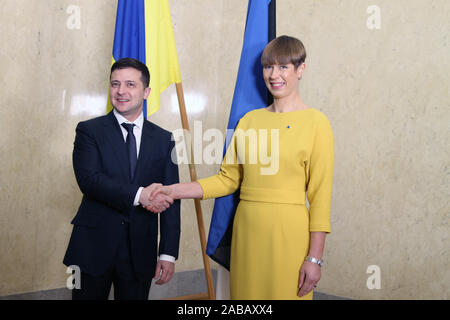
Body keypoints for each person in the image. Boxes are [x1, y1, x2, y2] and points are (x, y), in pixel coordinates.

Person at [149, 35, 334, 300]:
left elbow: (320, 197)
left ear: (301, 68)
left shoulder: (317, 123)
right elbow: (227, 179)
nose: (274, 75)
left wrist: (315, 259)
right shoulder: (249, 120)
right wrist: (173, 190)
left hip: (289, 234)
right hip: (247, 231)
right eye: (268, 66)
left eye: (283, 67)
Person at [63, 58, 181, 300]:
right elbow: (89, 180)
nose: (121, 91)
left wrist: (168, 253)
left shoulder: (164, 139)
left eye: (130, 84)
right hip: (93, 247)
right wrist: (141, 195)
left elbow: (171, 196)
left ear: (146, 91)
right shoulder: (89, 131)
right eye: (115, 84)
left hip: (140, 250)